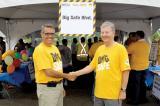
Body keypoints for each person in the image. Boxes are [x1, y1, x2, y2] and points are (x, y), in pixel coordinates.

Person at [70, 21, 131, 106]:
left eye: (107, 32)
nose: (104, 34)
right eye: (102, 32)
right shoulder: (100, 49)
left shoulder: (121, 49)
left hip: (113, 95)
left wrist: (123, 90)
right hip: (98, 93)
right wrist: (76, 73)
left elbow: (126, 71)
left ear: (113, 33)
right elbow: (91, 66)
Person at [33, 24, 73, 106]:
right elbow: (49, 72)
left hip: (58, 86)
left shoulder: (54, 48)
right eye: (46, 33)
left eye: (52, 34)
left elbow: (57, 68)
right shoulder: (40, 50)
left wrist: (61, 85)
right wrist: (67, 76)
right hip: (47, 89)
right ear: (41, 34)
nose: (50, 36)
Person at [126, 31, 150, 105]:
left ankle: (135, 101)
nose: (135, 37)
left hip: (136, 68)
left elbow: (126, 52)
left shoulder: (134, 45)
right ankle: (143, 99)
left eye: (136, 36)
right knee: (143, 84)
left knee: (136, 85)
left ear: (138, 36)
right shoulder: (147, 44)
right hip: (145, 67)